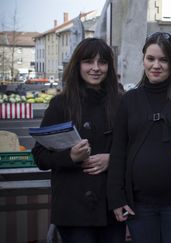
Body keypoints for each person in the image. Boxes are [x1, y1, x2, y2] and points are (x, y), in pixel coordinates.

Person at [107, 32, 171, 243]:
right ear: (143, 59)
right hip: (139, 206)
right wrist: (117, 198)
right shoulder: (129, 101)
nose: (156, 65)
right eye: (151, 59)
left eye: (163, 59)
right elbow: (118, 152)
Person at [31, 38, 125, 243]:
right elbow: (39, 157)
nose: (96, 68)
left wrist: (112, 159)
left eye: (102, 62)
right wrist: (70, 156)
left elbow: (134, 148)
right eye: (89, 61)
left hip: (112, 207)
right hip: (73, 210)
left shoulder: (121, 102)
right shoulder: (60, 104)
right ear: (78, 65)